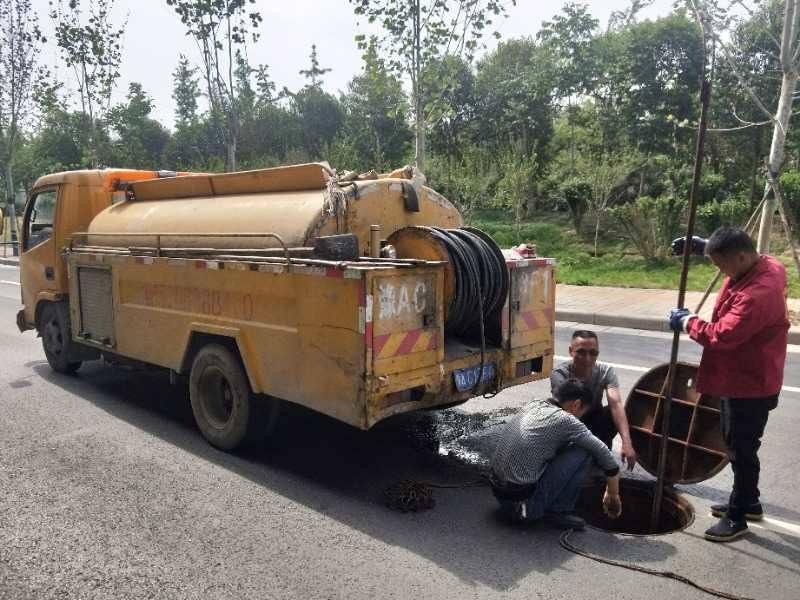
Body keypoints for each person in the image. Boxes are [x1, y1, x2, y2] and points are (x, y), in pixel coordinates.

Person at [668, 226, 789, 542]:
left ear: (741, 257)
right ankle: (748, 501)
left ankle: (738, 517)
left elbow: (720, 335)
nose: (720, 271)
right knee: (738, 443)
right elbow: (734, 251)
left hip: (749, 384)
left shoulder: (756, 295)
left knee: (741, 450)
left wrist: (687, 322)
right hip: (744, 376)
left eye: (721, 265)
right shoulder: (765, 263)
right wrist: (705, 245)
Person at [489, 378, 622, 530]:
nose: (580, 418)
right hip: (523, 509)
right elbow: (603, 453)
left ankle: (547, 505)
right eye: (582, 413)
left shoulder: (534, 404)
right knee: (584, 449)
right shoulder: (566, 421)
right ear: (576, 404)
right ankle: (559, 511)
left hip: (499, 496)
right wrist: (613, 493)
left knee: (568, 445)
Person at [550, 331, 637, 470]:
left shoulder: (606, 371)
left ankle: (598, 462)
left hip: (594, 420)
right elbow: (566, 414)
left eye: (593, 353)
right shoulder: (560, 374)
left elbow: (616, 404)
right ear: (571, 351)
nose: (588, 359)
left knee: (612, 413)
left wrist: (627, 442)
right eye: (581, 352)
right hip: (569, 423)